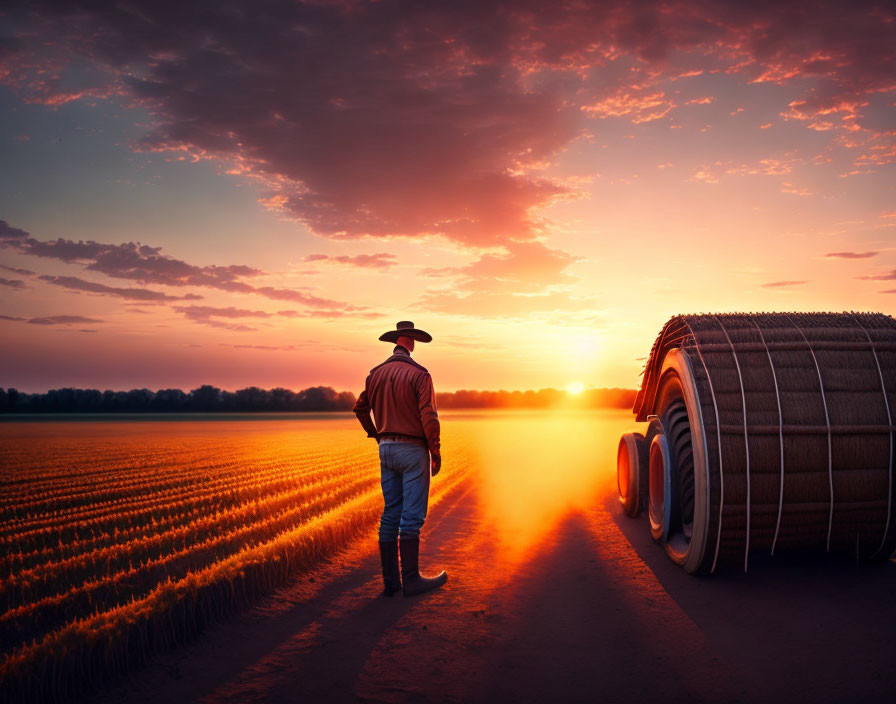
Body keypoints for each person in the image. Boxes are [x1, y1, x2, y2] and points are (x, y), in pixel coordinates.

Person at [353, 321, 447, 597]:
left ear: (396, 341)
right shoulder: (419, 374)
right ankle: (412, 581)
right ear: (412, 342)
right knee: (412, 516)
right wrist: (435, 450)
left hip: (386, 449)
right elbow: (429, 416)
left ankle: (391, 583)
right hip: (412, 448)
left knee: (390, 513)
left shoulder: (375, 374)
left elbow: (359, 409)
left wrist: (375, 434)